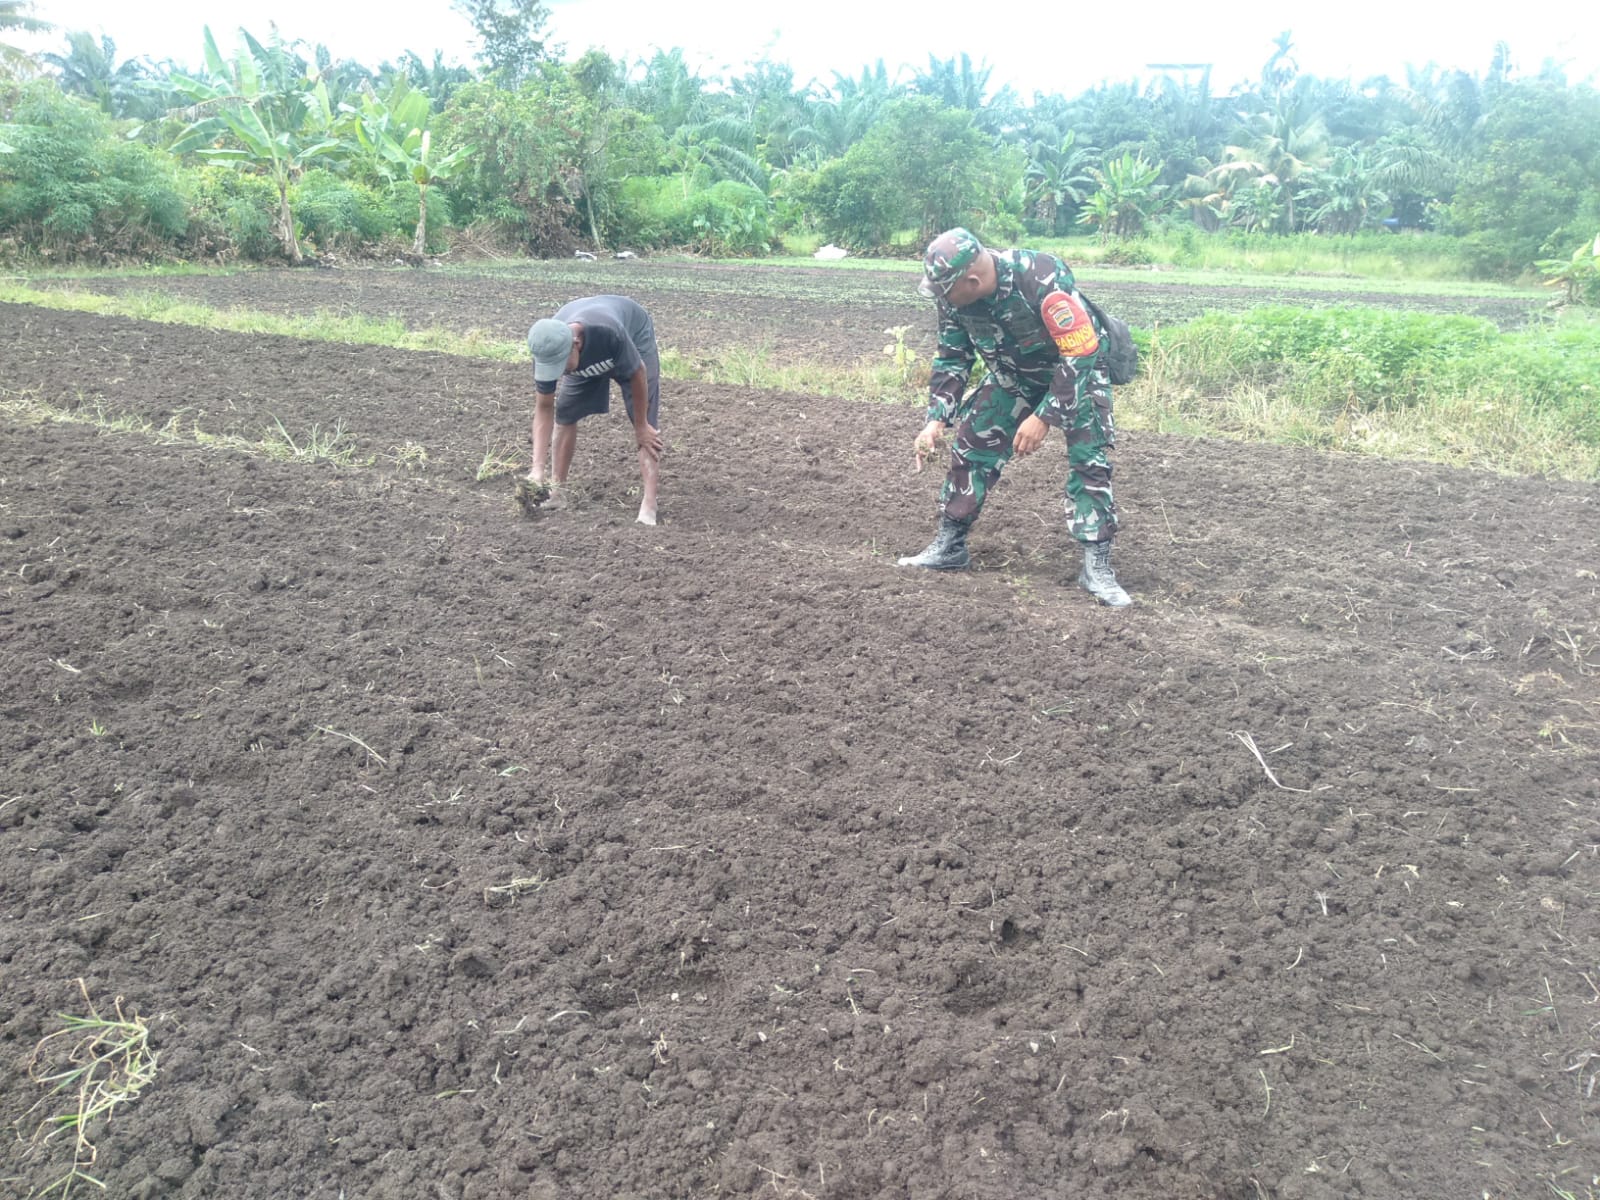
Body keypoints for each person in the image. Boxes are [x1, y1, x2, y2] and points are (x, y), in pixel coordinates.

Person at [898, 228, 1131, 606]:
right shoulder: (952, 294)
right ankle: (950, 546)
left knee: (1089, 461)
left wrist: (1044, 417)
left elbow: (1080, 351)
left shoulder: (1041, 277)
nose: (942, 298)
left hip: (1077, 370)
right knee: (972, 447)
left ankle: (1097, 565)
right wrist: (936, 419)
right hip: (1014, 374)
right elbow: (953, 356)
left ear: (972, 281)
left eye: (946, 291)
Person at [527, 295, 664, 526]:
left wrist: (641, 426)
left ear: (576, 345)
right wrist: (536, 470)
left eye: (561, 366)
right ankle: (557, 494)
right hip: (588, 360)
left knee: (645, 422)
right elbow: (544, 407)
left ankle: (650, 504)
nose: (558, 373)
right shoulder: (547, 347)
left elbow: (638, 372)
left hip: (633, 338)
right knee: (565, 413)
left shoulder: (607, 331)